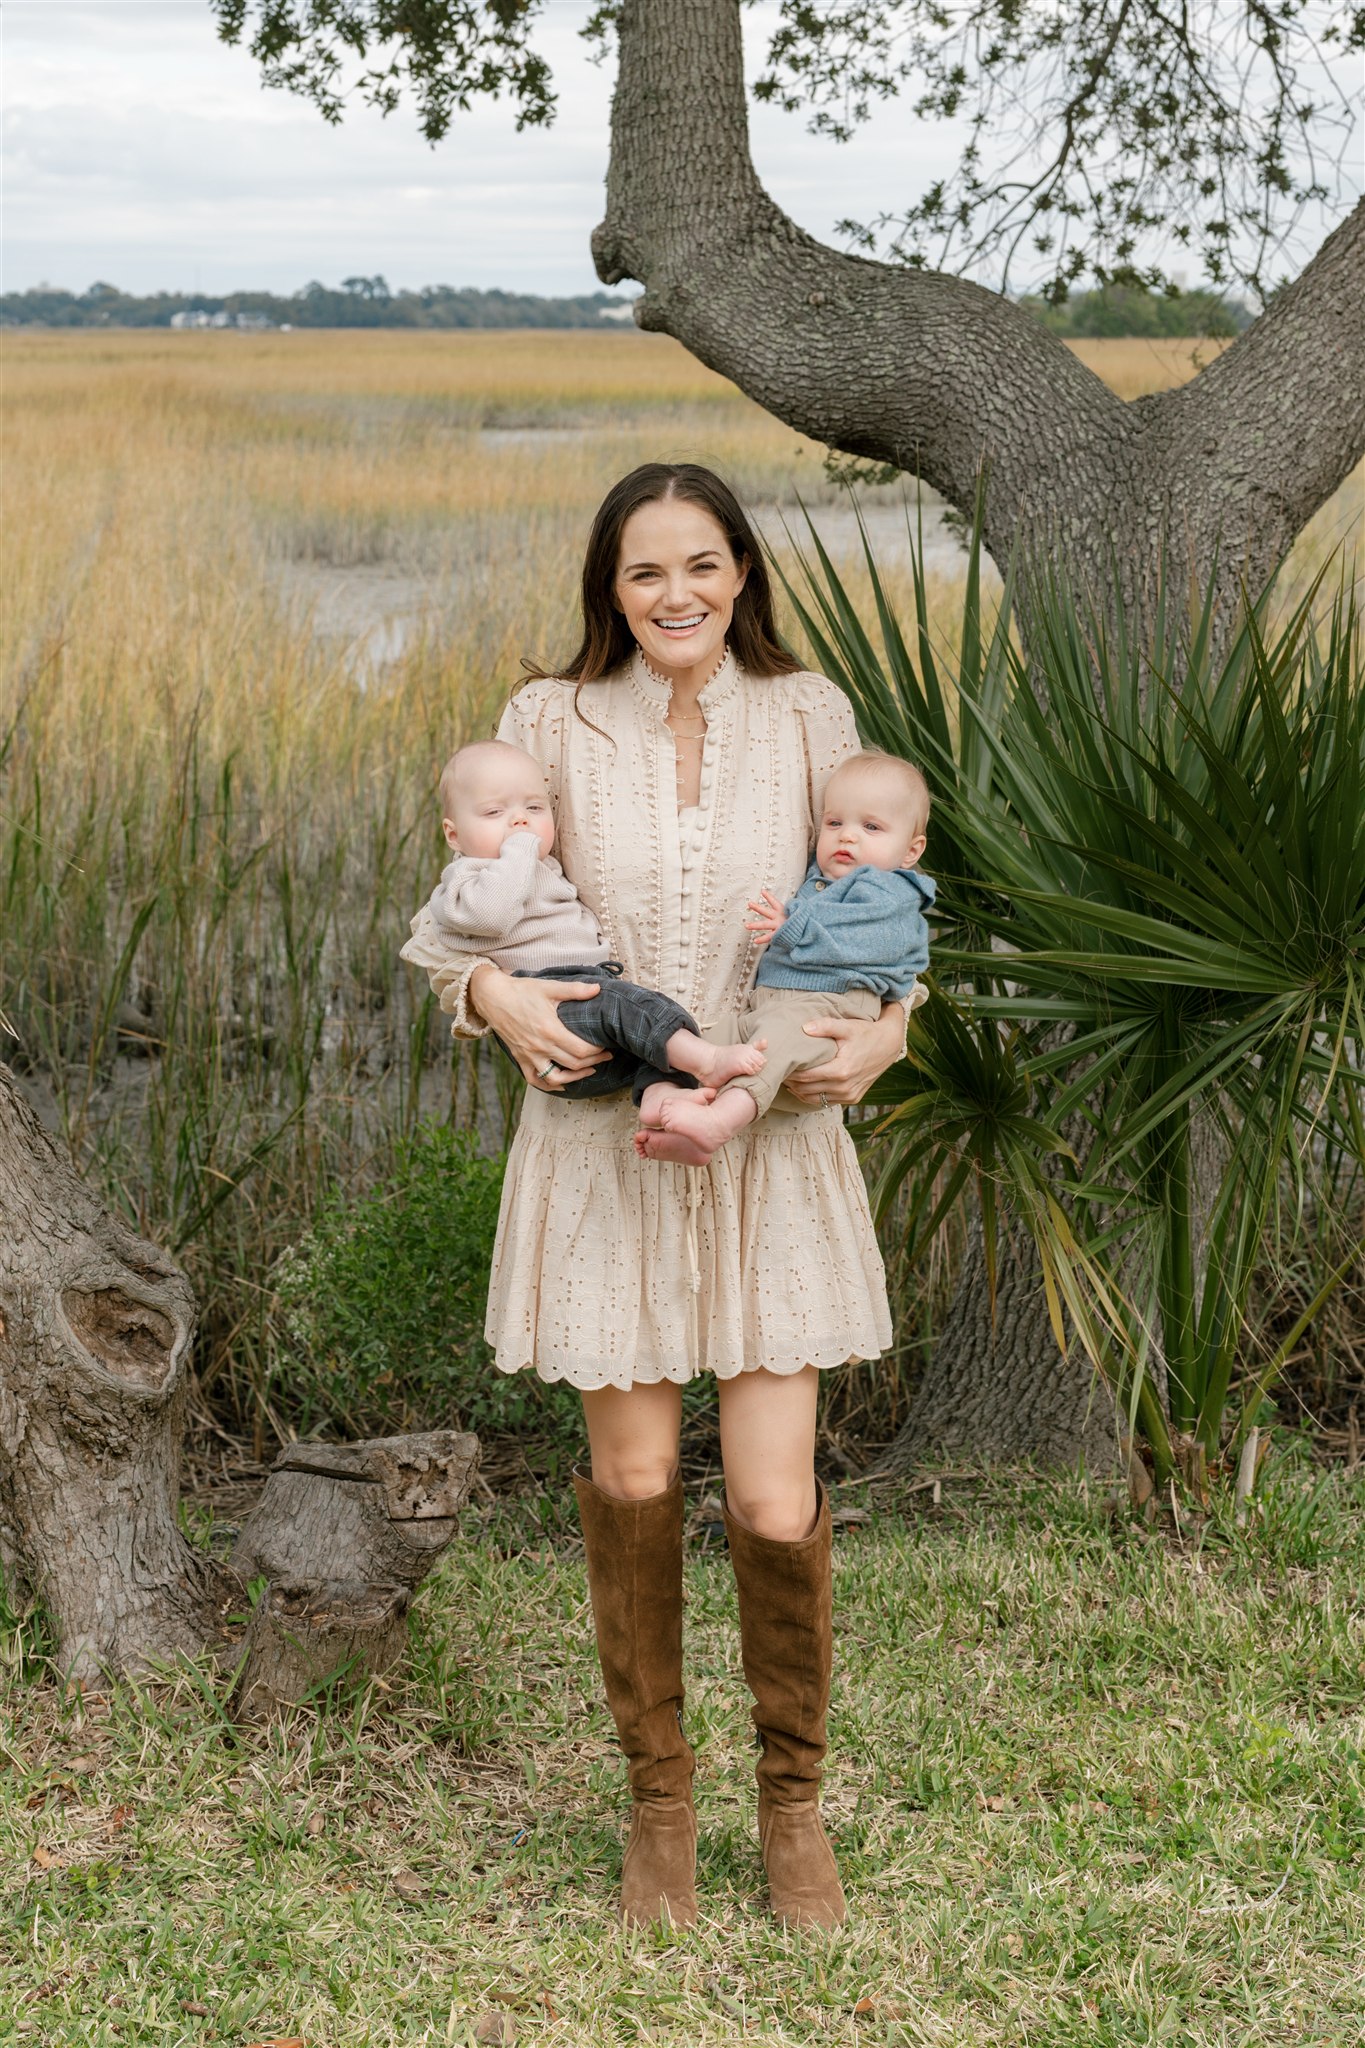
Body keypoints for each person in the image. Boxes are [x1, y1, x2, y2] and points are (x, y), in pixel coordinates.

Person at [401, 463, 921, 1933]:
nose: (675, 594)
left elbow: (878, 898)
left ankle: (793, 1806)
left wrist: (892, 1033)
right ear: (610, 587)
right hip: (604, 1145)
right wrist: (495, 997)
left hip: (773, 1142)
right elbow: (458, 923)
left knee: (770, 1494)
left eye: (701, 565)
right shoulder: (547, 719)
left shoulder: (809, 713)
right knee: (631, 1483)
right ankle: (659, 1808)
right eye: (644, 572)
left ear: (741, 571)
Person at [403, 737, 766, 1110]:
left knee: (646, 1043)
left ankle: (660, 1098)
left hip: (587, 1019)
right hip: (546, 1005)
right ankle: (708, 1059)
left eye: (534, 807)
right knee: (635, 1008)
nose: (520, 820)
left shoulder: (538, 867)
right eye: (494, 812)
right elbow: (490, 916)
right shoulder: (467, 879)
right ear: (453, 835)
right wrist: (521, 848)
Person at [636, 749, 934, 1160]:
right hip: (767, 1008)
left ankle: (719, 1122)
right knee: (697, 1045)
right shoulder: (825, 877)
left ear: (911, 851)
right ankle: (668, 1106)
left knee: (769, 1050)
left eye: (871, 826)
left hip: (830, 1008)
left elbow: (869, 941)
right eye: (835, 823)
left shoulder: (890, 892)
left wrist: (794, 928)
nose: (847, 836)